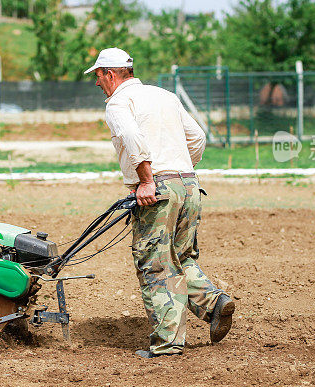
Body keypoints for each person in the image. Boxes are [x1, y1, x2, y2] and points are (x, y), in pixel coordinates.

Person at [85, 47, 235, 359]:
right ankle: (214, 302)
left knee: (155, 263)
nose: (97, 82)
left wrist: (149, 180)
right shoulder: (164, 95)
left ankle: (167, 344)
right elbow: (198, 138)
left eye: (98, 75)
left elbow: (131, 137)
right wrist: (179, 172)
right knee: (181, 256)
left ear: (110, 74)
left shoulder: (118, 103)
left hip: (159, 188)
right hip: (189, 184)